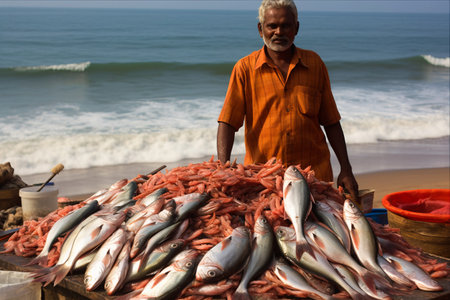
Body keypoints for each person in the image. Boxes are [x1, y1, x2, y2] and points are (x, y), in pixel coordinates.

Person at [217, 0, 360, 202]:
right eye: (272, 26)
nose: (278, 32)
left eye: (285, 25)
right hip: (263, 180)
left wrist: (346, 169)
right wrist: (223, 169)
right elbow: (228, 122)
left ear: (296, 28)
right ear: (260, 29)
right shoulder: (245, 69)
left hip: (314, 177)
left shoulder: (315, 64)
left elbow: (331, 121)